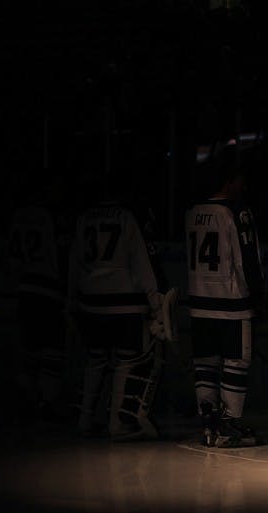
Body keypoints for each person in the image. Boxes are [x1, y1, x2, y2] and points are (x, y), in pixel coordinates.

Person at [66, 168, 166, 440]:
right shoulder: (127, 217)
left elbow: (74, 261)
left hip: (89, 301)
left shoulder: (84, 218)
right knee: (125, 362)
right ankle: (116, 422)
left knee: (95, 361)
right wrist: (155, 301)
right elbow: (141, 262)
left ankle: (85, 419)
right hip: (124, 302)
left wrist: (72, 298)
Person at [185, 145, 267, 447]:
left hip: (199, 302)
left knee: (205, 365)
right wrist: (258, 297)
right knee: (236, 363)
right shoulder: (236, 212)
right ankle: (229, 423)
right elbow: (247, 259)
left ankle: (209, 423)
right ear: (229, 182)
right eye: (239, 181)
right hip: (232, 303)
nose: (243, 186)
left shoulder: (193, 211)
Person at [6, 166, 71, 421]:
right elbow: (64, 253)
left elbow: (11, 256)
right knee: (52, 351)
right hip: (49, 289)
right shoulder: (53, 216)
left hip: (26, 288)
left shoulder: (19, 215)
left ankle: (27, 399)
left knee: (30, 350)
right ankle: (45, 404)